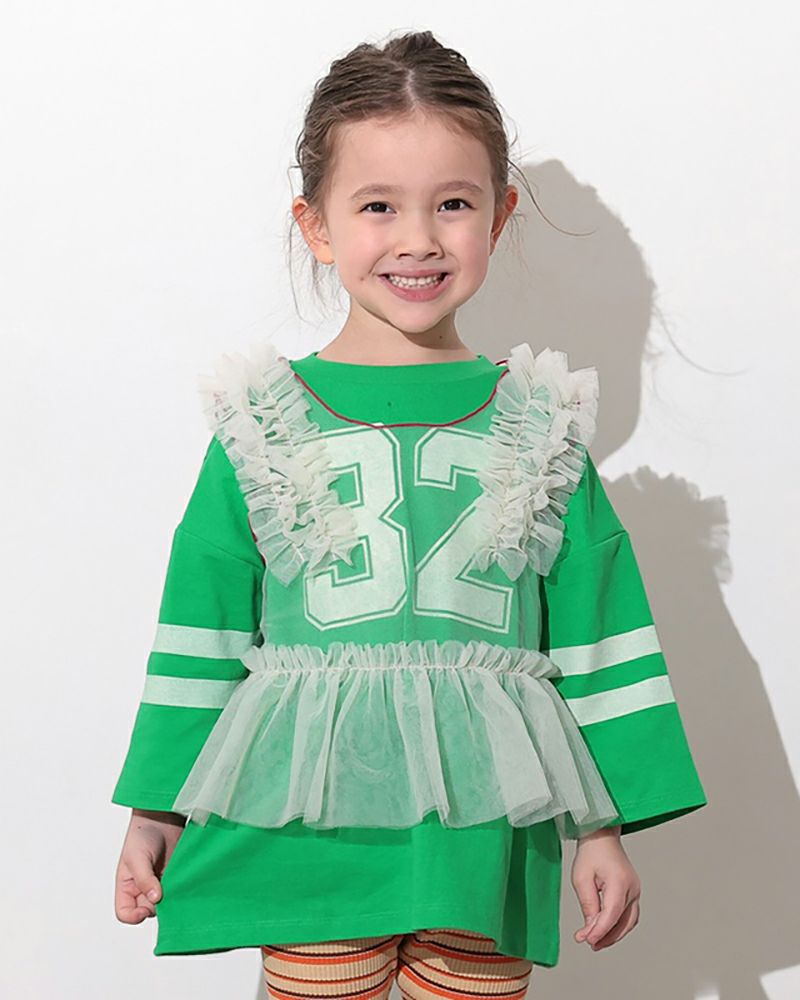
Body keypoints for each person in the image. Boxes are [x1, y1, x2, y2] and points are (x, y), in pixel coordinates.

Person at [112, 29, 707, 997]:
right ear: (315, 225)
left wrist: (602, 826)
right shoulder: (260, 421)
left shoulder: (540, 423)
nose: (418, 238)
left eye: (453, 204)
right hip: (305, 820)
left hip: (484, 820)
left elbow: (598, 631)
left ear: (499, 216)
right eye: (378, 205)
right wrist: (156, 808)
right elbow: (201, 624)